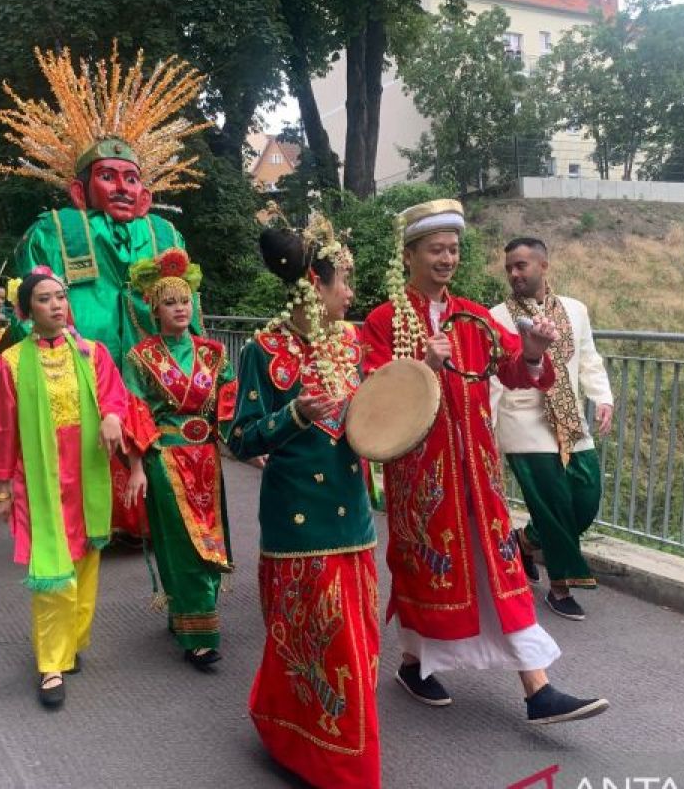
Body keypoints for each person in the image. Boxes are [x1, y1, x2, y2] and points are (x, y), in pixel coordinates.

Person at [362, 199, 609, 724]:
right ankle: (413, 663)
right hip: (420, 477)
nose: (447, 258)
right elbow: (373, 397)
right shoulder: (383, 322)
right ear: (410, 255)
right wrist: (421, 367)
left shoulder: (474, 317)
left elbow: (516, 372)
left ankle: (537, 689)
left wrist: (536, 352)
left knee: (499, 567)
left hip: (478, 472)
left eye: (453, 249)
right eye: (436, 249)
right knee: (426, 570)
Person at [0, 44, 210, 542]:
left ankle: (158, 520)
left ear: (146, 193)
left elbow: (189, 305)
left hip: (155, 363)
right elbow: (30, 298)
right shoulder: (56, 228)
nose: (123, 188)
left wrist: (201, 358)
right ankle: (92, 522)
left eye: (132, 179)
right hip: (84, 362)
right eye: (108, 177)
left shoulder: (163, 232)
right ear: (78, 189)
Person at [227, 218, 380, 789]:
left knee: (356, 641)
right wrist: (295, 415)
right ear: (314, 283)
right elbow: (239, 438)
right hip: (297, 520)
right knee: (312, 640)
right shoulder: (263, 353)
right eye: (344, 281)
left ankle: (311, 739)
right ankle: (337, 763)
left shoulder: (349, 343)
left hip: (354, 515)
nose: (351, 293)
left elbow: (369, 419)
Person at [0, 267, 133, 708]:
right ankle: (50, 664)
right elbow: (1, 429)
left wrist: (112, 417)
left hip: (86, 472)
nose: (57, 305)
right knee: (51, 571)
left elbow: (115, 397)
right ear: (28, 310)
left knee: (84, 562)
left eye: (60, 296)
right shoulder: (11, 363)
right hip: (39, 478)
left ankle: (71, 645)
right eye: (45, 299)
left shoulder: (92, 353)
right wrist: (2, 492)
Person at [122, 249, 237, 670]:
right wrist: (138, 463)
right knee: (183, 545)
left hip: (207, 459)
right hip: (166, 459)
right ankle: (200, 637)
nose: (179, 309)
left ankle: (185, 615)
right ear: (153, 307)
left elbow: (229, 401)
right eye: (169, 302)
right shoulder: (141, 357)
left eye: (185, 300)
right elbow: (135, 410)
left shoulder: (212, 353)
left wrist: (242, 440)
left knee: (210, 538)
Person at [490, 237, 614, 621]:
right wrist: (489, 433)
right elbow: (493, 379)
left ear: (544, 266)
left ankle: (524, 542)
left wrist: (603, 397)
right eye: (509, 266)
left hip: (570, 420)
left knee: (586, 497)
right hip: (523, 423)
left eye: (521, 265)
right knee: (554, 505)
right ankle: (560, 588)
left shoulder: (575, 310)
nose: (514, 273)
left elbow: (588, 357)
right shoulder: (497, 317)